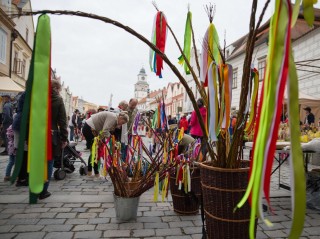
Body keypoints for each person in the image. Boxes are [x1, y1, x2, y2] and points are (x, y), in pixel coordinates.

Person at [40, 79, 68, 199]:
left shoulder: (38, 96)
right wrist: (64, 138)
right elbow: (62, 121)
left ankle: (34, 186)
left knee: (37, 161)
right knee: (49, 160)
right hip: (51, 134)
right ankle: (43, 190)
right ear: (56, 88)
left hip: (37, 133)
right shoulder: (58, 99)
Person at [82, 111, 129, 179]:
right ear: (121, 118)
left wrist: (102, 139)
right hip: (89, 128)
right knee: (95, 152)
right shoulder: (113, 118)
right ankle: (95, 173)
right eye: (122, 122)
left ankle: (90, 172)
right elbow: (105, 131)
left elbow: (103, 131)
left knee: (94, 152)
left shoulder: (114, 118)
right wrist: (112, 140)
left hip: (91, 129)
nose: (121, 125)